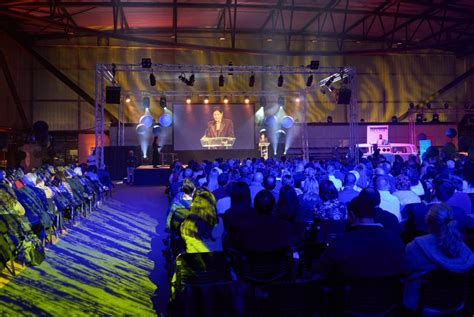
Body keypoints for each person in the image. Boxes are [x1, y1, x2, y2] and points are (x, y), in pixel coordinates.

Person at [315, 195, 405, 279]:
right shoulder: (395, 241)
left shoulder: (339, 244)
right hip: (389, 294)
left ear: (351, 215)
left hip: (351, 294)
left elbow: (320, 274)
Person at [404, 204, 474, 311]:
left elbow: (406, 272)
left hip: (425, 305)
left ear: (428, 222)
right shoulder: (465, 249)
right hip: (458, 302)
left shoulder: (415, 247)